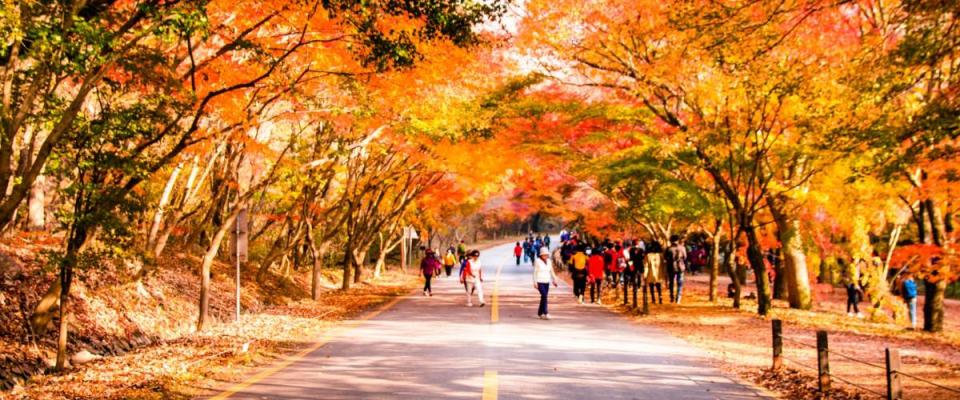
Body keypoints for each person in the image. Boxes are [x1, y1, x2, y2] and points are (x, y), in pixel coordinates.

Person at [533, 247, 560, 319]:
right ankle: (546, 312)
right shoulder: (537, 261)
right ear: (541, 255)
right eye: (544, 255)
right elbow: (535, 272)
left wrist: (555, 279)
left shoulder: (549, 261)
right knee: (544, 295)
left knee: (543, 297)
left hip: (546, 281)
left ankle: (540, 313)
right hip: (539, 281)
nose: (545, 256)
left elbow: (551, 271)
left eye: (546, 254)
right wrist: (534, 282)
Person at [667, 236, 688, 303]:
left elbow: (665, 258)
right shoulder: (682, 248)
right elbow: (685, 257)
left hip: (671, 267)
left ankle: (672, 297)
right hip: (680, 267)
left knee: (671, 283)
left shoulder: (669, 249)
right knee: (680, 283)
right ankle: (678, 298)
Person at [644, 240, 665, 304]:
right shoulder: (661, 255)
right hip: (659, 273)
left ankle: (653, 299)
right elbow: (663, 265)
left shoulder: (648, 255)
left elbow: (646, 266)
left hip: (651, 273)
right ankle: (660, 297)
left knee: (651, 286)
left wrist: (645, 275)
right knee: (659, 286)